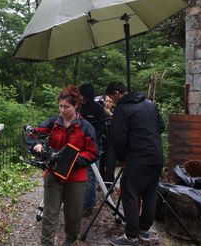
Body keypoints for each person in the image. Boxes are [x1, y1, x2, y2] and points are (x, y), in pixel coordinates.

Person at [26, 85, 98, 246]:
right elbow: (32, 133)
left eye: (67, 107)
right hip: (53, 174)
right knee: (50, 214)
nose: (62, 110)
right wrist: (36, 145)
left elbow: (93, 152)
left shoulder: (86, 127)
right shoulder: (54, 122)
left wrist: (73, 159)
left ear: (76, 106)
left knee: (73, 216)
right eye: (60, 106)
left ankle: (70, 241)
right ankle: (47, 243)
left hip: (76, 177)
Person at [106, 81, 164, 246]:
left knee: (130, 194)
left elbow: (117, 139)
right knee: (150, 194)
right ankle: (144, 231)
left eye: (111, 97)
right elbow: (161, 126)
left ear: (117, 93)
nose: (112, 100)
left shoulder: (122, 109)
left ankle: (130, 237)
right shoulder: (149, 105)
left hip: (137, 159)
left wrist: (122, 157)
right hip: (156, 157)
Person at [78, 84, 107, 217]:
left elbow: (101, 129)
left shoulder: (98, 109)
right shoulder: (78, 107)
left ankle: (89, 204)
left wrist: (89, 137)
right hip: (77, 144)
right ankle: (76, 200)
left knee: (91, 174)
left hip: (92, 145)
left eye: (81, 94)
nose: (79, 97)